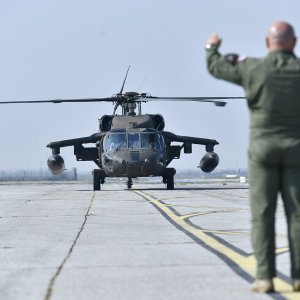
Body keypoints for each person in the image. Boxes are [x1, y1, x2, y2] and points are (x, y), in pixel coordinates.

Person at [205, 21, 300, 293]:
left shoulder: (253, 68)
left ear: (268, 43)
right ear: (293, 42)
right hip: (296, 151)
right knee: (298, 217)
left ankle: (265, 277)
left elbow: (216, 67)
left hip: (263, 152)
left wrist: (212, 47)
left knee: (262, 215)